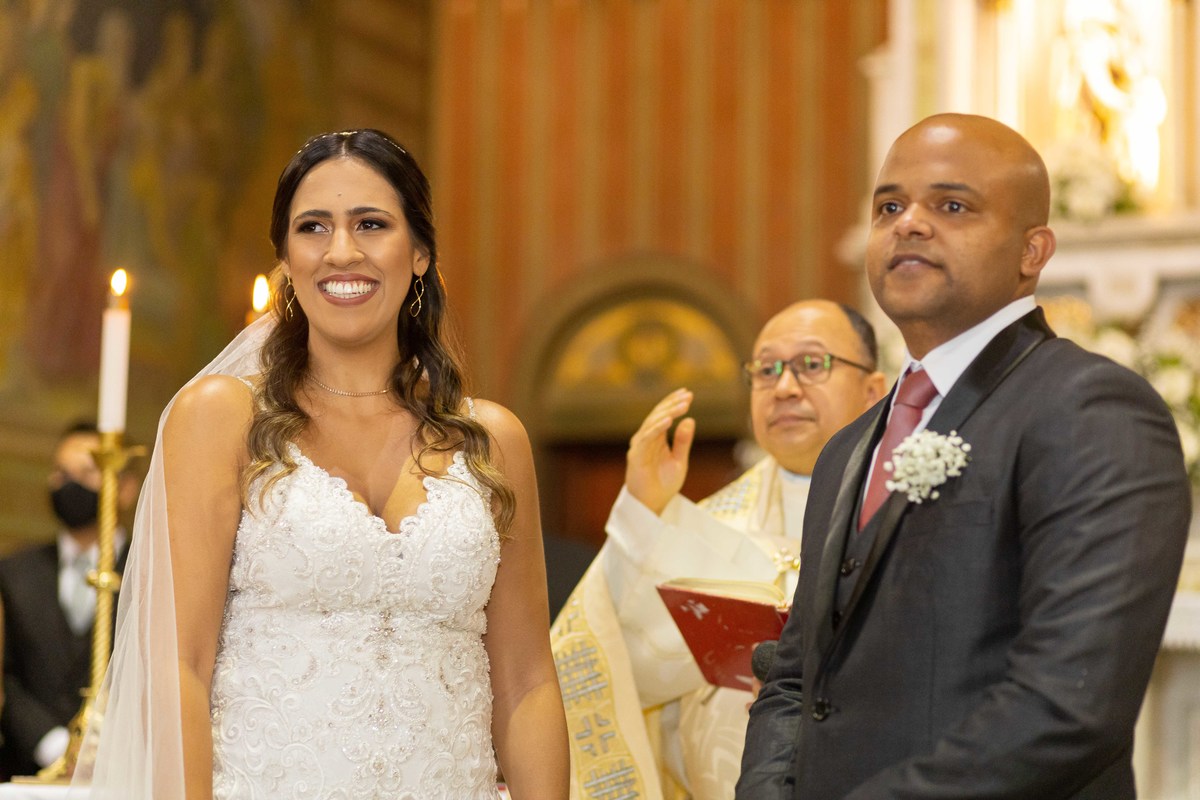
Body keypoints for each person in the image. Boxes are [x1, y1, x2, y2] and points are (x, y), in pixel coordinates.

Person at [71, 129, 568, 799]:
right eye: (313, 227)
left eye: (371, 224)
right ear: (286, 257)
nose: (341, 251)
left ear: (420, 253)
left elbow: (527, 683)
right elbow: (179, 666)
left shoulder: (492, 442)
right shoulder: (221, 418)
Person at [738, 113, 1192, 799]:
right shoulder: (846, 451)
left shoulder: (1089, 409)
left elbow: (1068, 705)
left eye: (952, 206)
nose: (909, 224)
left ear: (1033, 251)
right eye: (889, 207)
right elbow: (797, 679)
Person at [552, 300, 886, 799]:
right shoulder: (706, 526)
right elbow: (603, 657)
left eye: (812, 364)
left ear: (874, 390)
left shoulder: (911, 510)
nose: (785, 387)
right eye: (767, 370)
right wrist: (644, 511)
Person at [0, 421, 134, 779]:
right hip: (28, 768)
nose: (70, 484)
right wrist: (54, 746)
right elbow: (6, 675)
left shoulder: (152, 569)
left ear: (125, 488)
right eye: (61, 472)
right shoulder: (15, 571)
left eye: (87, 472)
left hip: (124, 766)